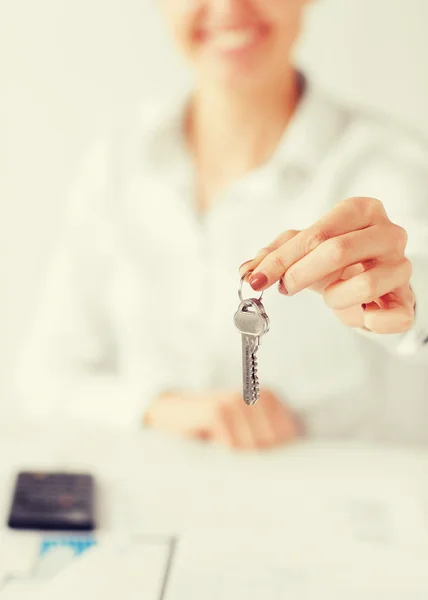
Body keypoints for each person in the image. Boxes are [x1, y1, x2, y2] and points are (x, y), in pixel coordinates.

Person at [15, 0, 428, 447]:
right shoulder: (115, 165)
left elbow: (416, 289)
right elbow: (44, 376)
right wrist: (161, 407)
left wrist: (401, 300)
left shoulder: (398, 166)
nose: (229, 6)